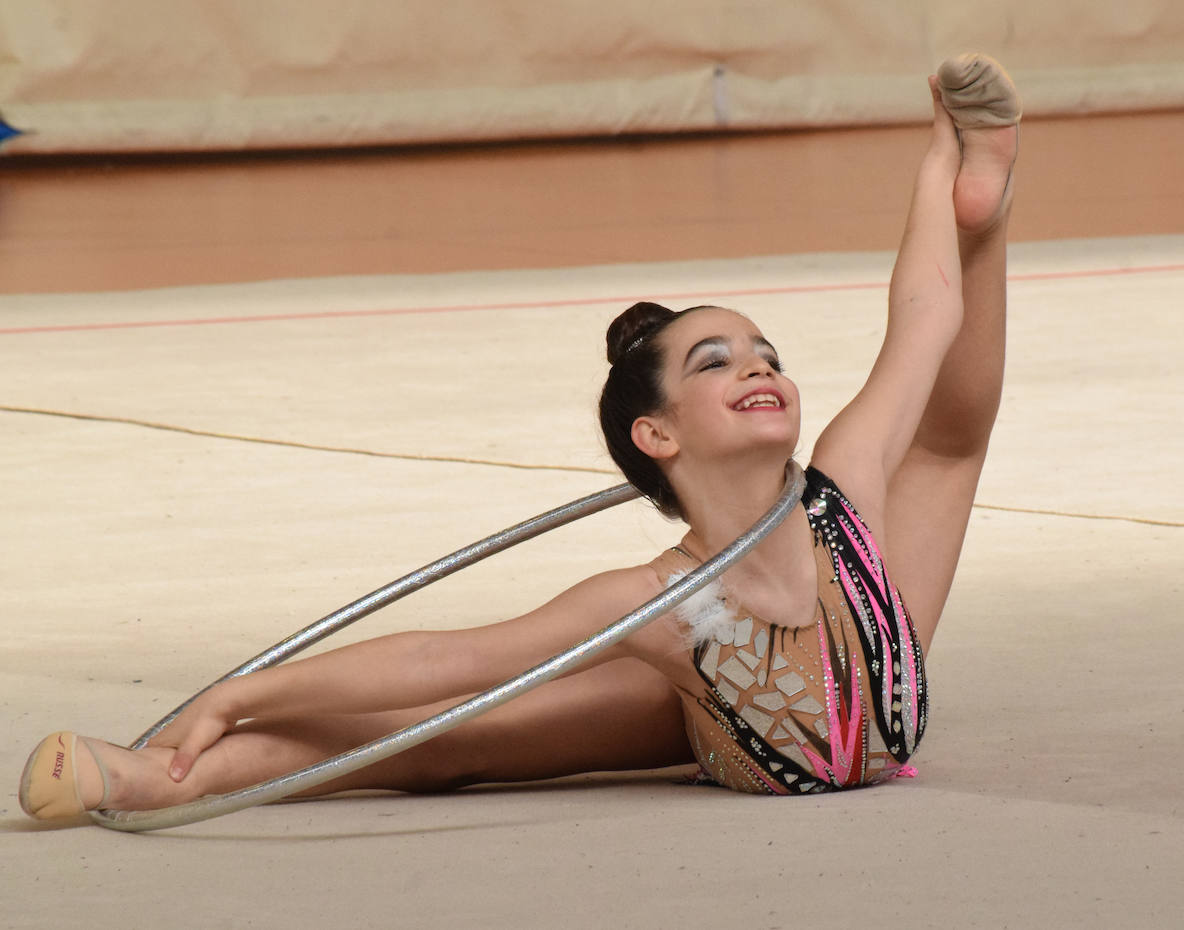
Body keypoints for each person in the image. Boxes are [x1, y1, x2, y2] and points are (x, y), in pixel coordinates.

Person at [19, 54, 1020, 818]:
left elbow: (926, 317)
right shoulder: (651, 606)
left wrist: (943, 162)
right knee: (452, 739)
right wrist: (241, 692)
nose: (759, 365)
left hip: (866, 636)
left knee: (944, 440)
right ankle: (158, 774)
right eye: (715, 362)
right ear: (657, 435)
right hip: (723, 691)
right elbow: (443, 664)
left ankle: (989, 206)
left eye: (765, 351)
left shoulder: (842, 489)